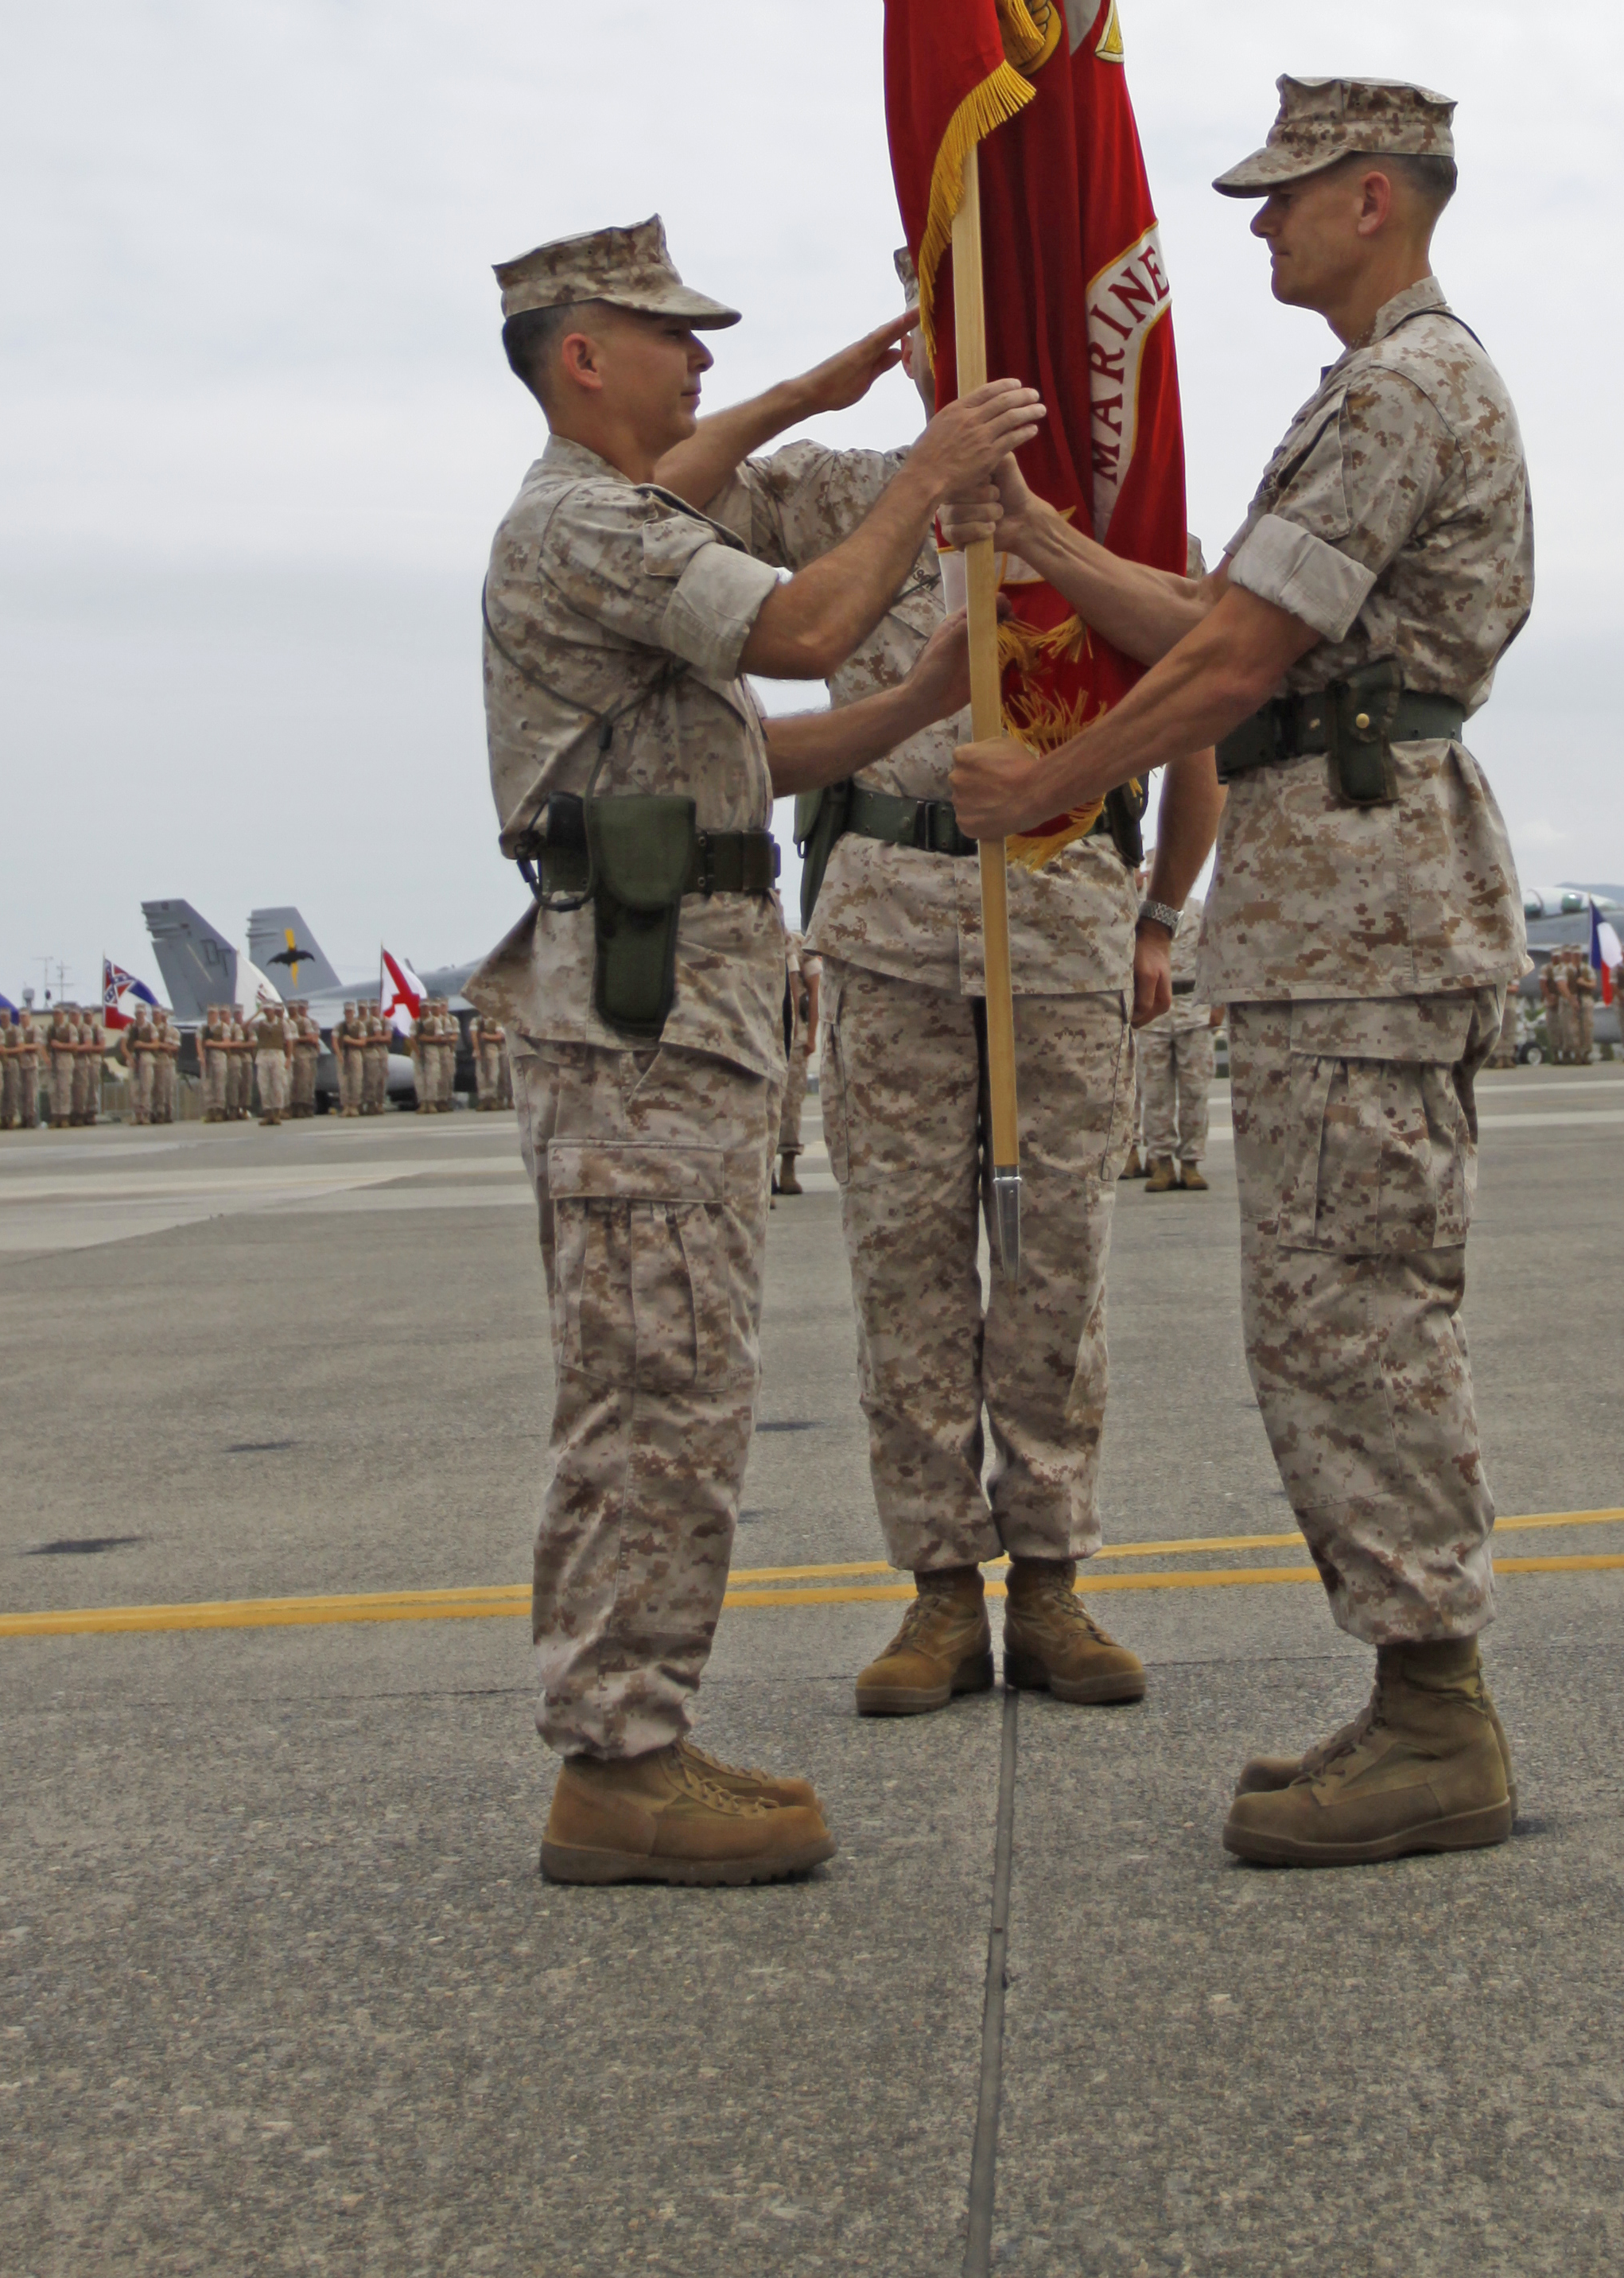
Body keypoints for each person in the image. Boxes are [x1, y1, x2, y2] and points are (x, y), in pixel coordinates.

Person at [954, 75, 1530, 1872]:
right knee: (1319, 1313)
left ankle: (1438, 1708)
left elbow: (1232, 659)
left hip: (1365, 920)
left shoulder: (1405, 388)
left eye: (1284, 195)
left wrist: (1051, 787)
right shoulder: (1366, 388)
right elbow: (1224, 625)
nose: (1258, 223)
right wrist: (1046, 546)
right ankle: (1408, 1683)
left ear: (1376, 195)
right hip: (1326, 919)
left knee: (1357, 1308)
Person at [469, 208, 1042, 1888]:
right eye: (674, 334)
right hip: (640, 1034)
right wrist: (924, 471)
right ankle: (619, 1766)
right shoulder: (585, 527)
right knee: (654, 1398)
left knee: (687, 1389)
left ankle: (641, 1739)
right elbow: (793, 628)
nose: (702, 361)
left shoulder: (613, 522)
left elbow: (751, 766)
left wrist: (921, 689)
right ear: (585, 356)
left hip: (683, 1028)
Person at [668, 243, 1222, 1720]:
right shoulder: (846, 488)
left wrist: (1161, 916)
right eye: (930, 306)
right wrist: (808, 392)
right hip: (889, 929)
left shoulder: (1102, 499)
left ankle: (1048, 1579)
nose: (949, 332)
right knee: (903, 1269)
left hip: (1060, 918)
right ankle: (933, 1588)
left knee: (1054, 1276)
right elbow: (662, 491)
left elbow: (1200, 719)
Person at [1134, 897, 1213, 1188]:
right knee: (1155, 1094)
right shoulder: (1138, 912)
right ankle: (1162, 1163)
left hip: (1193, 1009)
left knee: (1196, 1090)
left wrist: (1218, 1005)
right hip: (1154, 1011)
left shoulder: (1198, 910)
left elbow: (1214, 953)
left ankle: (1191, 1163)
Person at [773, 944, 817, 1197]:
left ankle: (787, 1169)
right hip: (764, 1034)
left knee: (791, 1105)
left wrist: (811, 1036)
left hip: (795, 1039)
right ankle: (766, 1176)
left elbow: (814, 988)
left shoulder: (798, 947)